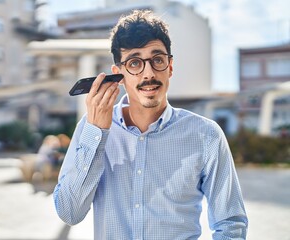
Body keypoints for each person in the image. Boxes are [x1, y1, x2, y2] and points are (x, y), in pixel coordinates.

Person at [54, 10, 248, 239]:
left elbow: (231, 223)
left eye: (157, 60)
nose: (149, 73)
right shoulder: (90, 128)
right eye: (135, 62)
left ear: (170, 67)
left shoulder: (206, 135)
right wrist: (97, 133)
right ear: (119, 74)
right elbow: (69, 213)